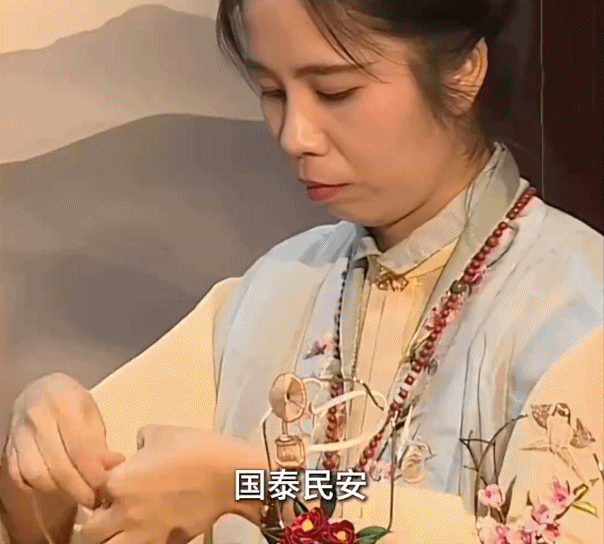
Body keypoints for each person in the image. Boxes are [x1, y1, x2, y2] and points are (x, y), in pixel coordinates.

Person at [1, 0, 602, 542]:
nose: (295, 135)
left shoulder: (578, 308)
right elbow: (84, 515)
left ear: (463, 71)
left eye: (335, 91)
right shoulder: (276, 289)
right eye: (272, 91)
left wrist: (255, 488)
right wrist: (46, 456)